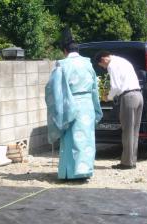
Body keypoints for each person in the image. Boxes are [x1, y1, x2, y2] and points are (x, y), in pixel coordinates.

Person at [45, 40, 103, 180]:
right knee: (87, 139)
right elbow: (94, 88)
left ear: (65, 51)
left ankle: (70, 173)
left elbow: (54, 89)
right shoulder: (88, 64)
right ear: (78, 50)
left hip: (70, 103)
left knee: (71, 138)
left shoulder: (62, 65)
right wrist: (96, 108)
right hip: (87, 104)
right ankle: (85, 171)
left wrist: (57, 108)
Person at [95, 51, 143, 170]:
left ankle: (126, 163)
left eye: (102, 66)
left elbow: (116, 87)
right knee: (134, 131)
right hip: (138, 95)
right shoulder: (123, 61)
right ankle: (132, 161)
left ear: (104, 59)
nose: (104, 68)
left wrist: (108, 97)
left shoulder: (112, 64)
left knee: (127, 131)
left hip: (128, 97)